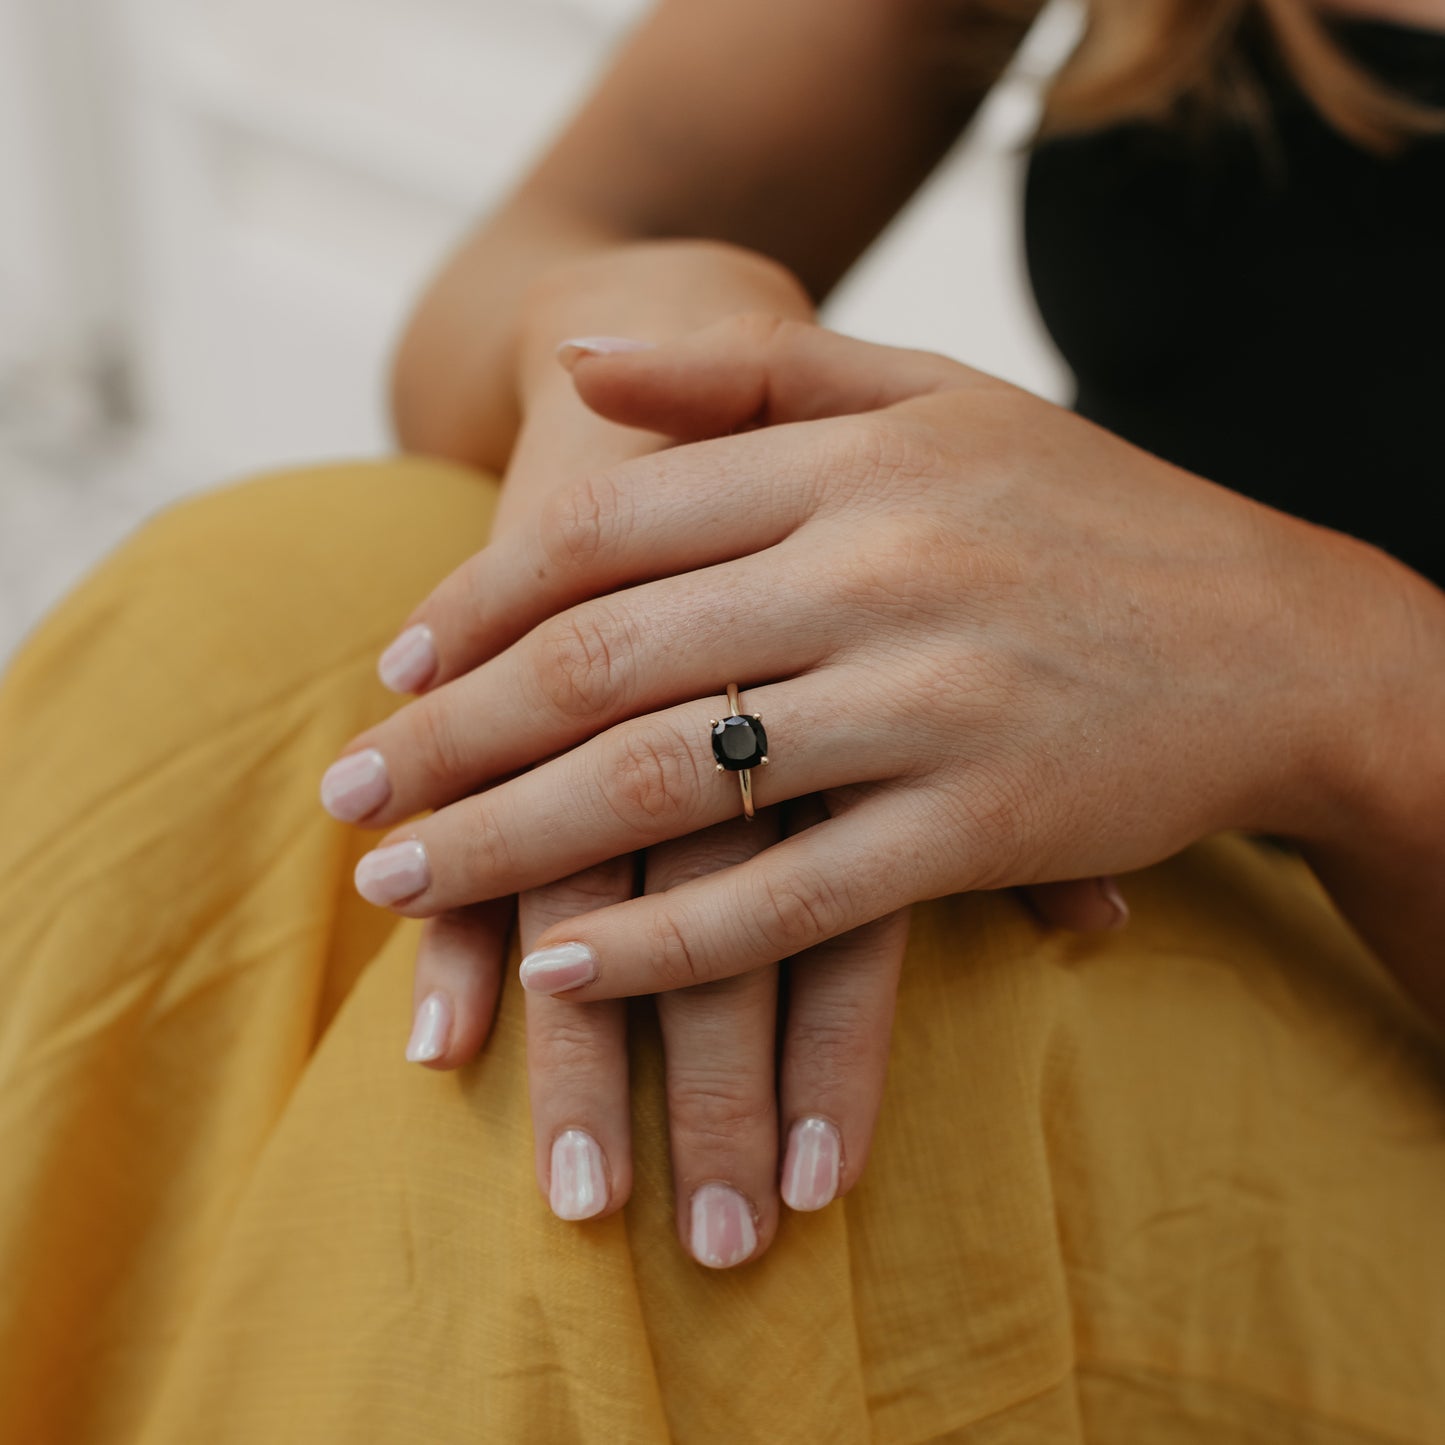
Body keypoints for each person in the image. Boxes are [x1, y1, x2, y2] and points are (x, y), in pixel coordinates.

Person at [1, 1, 1442, 1439]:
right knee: (258, 621)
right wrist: (648, 331)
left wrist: (1340, 667)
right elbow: (549, 244)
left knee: (660, 1106)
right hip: (1096, 773)